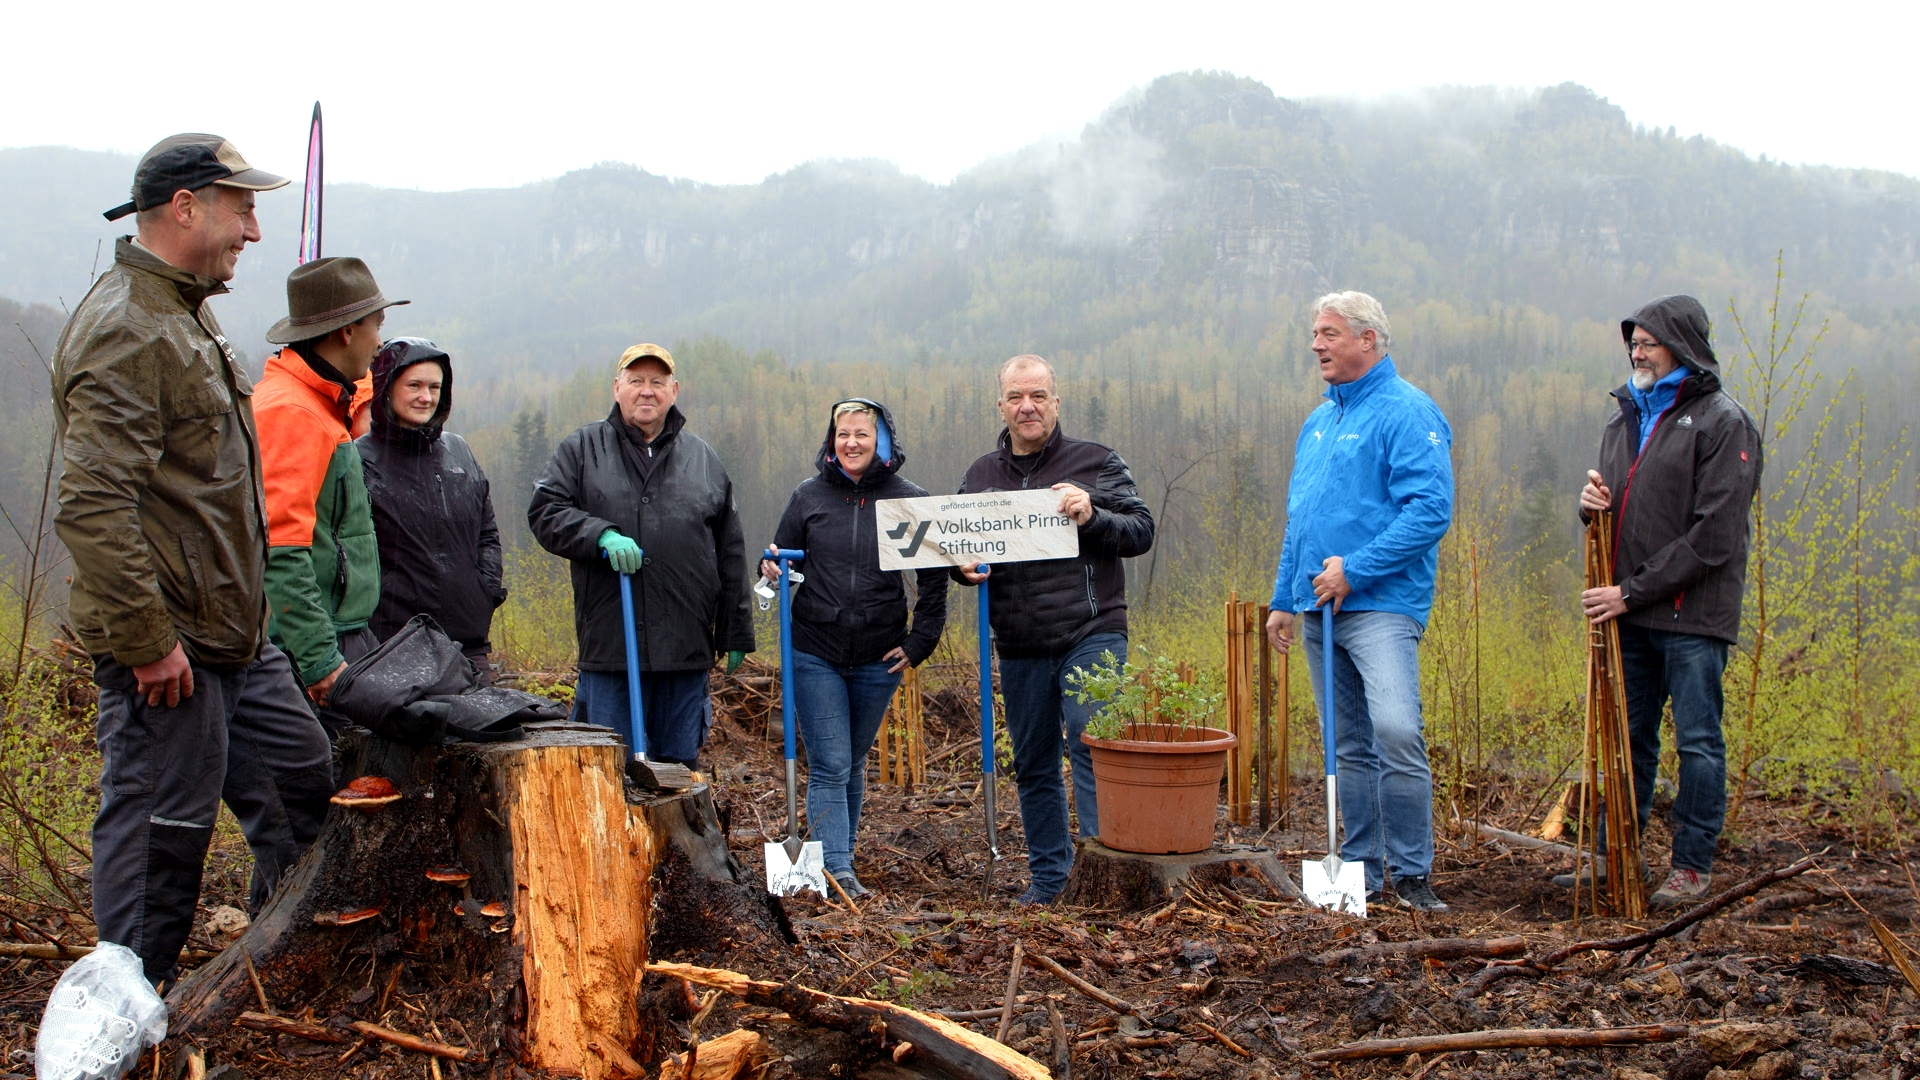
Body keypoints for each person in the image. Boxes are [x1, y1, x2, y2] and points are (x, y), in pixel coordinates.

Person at [53, 133, 333, 984]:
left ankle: (280, 967)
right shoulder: (128, 329)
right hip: (170, 651)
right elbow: (94, 504)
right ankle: (123, 1021)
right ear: (185, 207)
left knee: (301, 780)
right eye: (242, 209)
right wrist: (147, 641)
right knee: (160, 840)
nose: (253, 230)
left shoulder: (186, 314)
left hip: (236, 642)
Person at [1265, 291, 1454, 912]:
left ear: (1368, 339)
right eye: (1315, 333)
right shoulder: (1318, 423)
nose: (1316, 345)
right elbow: (1301, 520)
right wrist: (1284, 597)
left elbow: (1430, 510)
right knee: (1347, 744)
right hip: (1318, 609)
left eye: (1329, 333)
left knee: (1395, 731)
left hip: (1382, 606)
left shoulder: (1408, 410)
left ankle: (1413, 873)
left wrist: (1356, 570)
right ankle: (1363, 872)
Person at [1573, 295, 1761, 909]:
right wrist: (1590, 509)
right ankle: (1617, 860)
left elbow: (1715, 536)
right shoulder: (1623, 418)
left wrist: (1630, 591)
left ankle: (1691, 868)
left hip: (1692, 614)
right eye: (1633, 342)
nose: (1637, 352)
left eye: (1648, 342)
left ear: (1681, 346)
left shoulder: (1723, 422)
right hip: (1629, 610)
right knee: (1627, 738)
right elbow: (1621, 510)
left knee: (1698, 741)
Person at [955, 355, 1155, 905]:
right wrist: (960, 568)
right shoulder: (980, 476)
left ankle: (1103, 875)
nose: (1028, 407)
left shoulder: (1096, 462)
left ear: (1056, 402)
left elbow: (1141, 530)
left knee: (1092, 743)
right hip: (1019, 641)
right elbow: (958, 549)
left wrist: (1093, 516)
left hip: (1091, 629)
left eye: (1038, 396)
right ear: (1001, 406)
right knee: (1033, 764)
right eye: (1017, 397)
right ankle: (1049, 881)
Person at [528, 343, 754, 767]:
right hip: (611, 645)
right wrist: (599, 535)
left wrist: (736, 630)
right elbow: (545, 511)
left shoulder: (702, 458)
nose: (646, 391)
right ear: (617, 388)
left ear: (674, 391)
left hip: (685, 646)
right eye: (636, 381)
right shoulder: (582, 449)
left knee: (678, 769)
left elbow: (730, 550)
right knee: (609, 768)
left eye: (657, 382)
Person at [760, 399, 949, 898]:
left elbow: (934, 579)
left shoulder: (908, 500)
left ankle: (838, 853)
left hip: (878, 655)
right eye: (842, 434)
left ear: (881, 440)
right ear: (832, 440)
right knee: (830, 762)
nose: (851, 443)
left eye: (861, 434)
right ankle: (837, 871)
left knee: (853, 759)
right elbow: (781, 559)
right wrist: (771, 568)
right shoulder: (809, 497)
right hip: (814, 649)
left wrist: (920, 641)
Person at [255, 258, 408, 718]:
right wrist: (320, 660)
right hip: (309, 646)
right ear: (346, 331)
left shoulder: (319, 403)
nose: (379, 342)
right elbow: (281, 549)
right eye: (377, 325)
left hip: (337, 632)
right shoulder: (292, 412)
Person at [357, 338, 507, 684]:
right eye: (414, 385)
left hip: (467, 643)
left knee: (483, 720)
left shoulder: (457, 450)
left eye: (434, 387)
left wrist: (484, 591)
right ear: (386, 387)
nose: (426, 397)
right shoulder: (360, 460)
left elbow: (486, 531)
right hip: (392, 646)